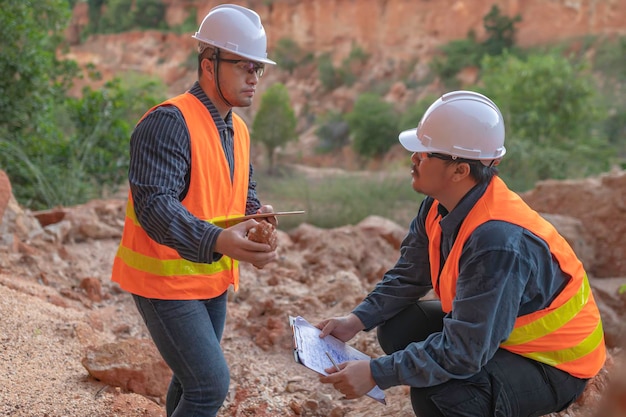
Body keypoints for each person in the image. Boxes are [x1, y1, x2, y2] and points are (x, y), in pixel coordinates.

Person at [317, 91, 606, 417]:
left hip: (553, 365)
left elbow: (465, 351)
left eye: (425, 153)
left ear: (459, 171)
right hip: (500, 337)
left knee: (441, 396)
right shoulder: (439, 206)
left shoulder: (496, 240)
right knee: (397, 328)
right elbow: (409, 275)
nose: (413, 159)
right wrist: (356, 320)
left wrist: (376, 373)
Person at [110, 4, 278, 417]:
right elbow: (155, 205)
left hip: (211, 279)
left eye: (259, 68)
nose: (254, 77)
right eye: (244, 66)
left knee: (190, 383)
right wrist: (220, 240)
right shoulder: (168, 122)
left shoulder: (236, 128)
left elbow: (241, 190)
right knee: (209, 385)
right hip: (163, 282)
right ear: (209, 64)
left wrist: (256, 218)